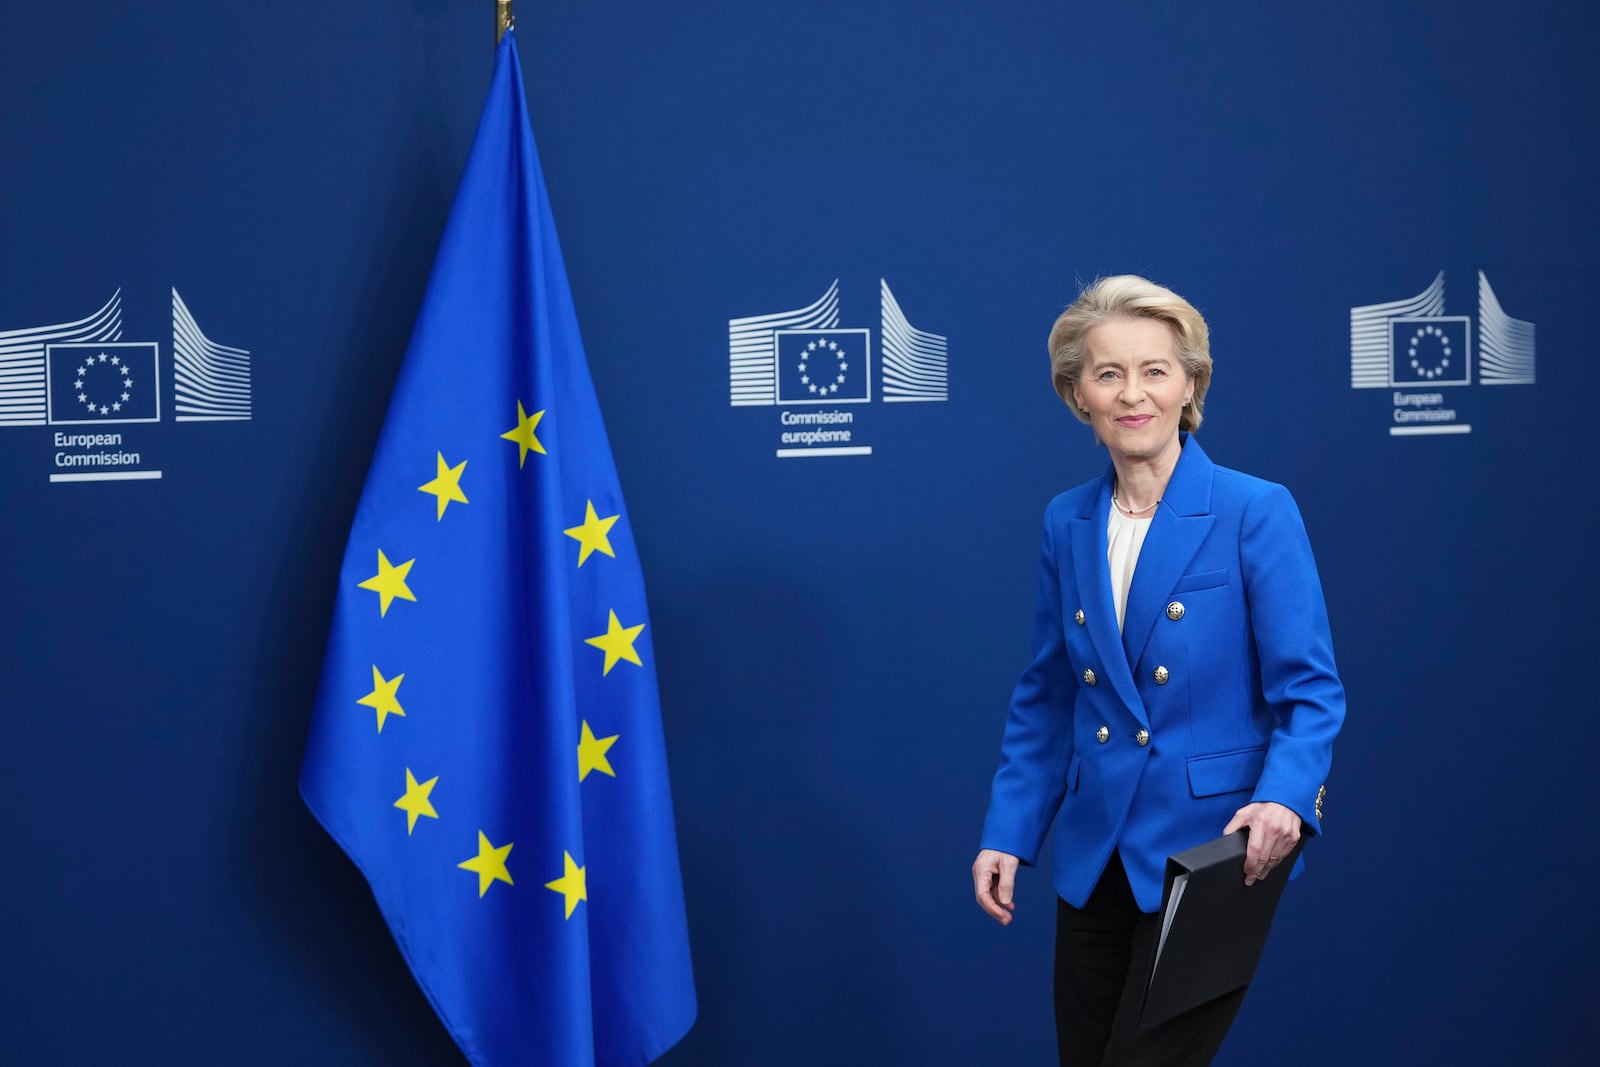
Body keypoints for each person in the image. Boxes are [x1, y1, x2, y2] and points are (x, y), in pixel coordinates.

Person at [971, 275, 1345, 1066]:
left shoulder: (1254, 509)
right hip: (1092, 854)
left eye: (1155, 370)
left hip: (1212, 853)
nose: (1133, 393)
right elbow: (1048, 693)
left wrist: (1284, 798)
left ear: (1190, 383)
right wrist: (1010, 830)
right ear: (1078, 394)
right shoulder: (1065, 519)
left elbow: (1310, 693)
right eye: (1109, 374)